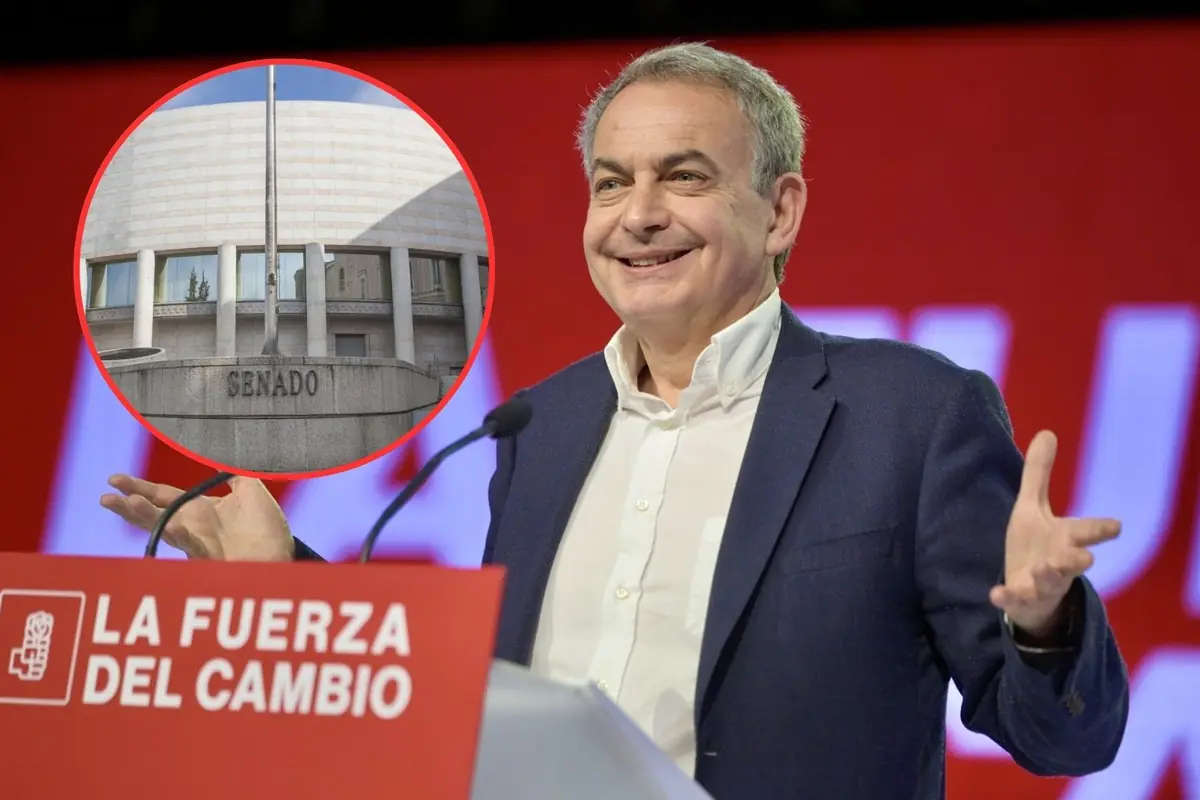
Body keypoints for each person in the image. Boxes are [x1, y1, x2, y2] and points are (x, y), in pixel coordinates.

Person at [100, 43, 1129, 800]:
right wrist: (291, 590)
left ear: (779, 211)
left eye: (683, 176)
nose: (637, 213)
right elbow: (483, 710)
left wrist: (1045, 624)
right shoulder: (536, 426)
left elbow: (1063, 740)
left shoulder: (912, 415)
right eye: (610, 181)